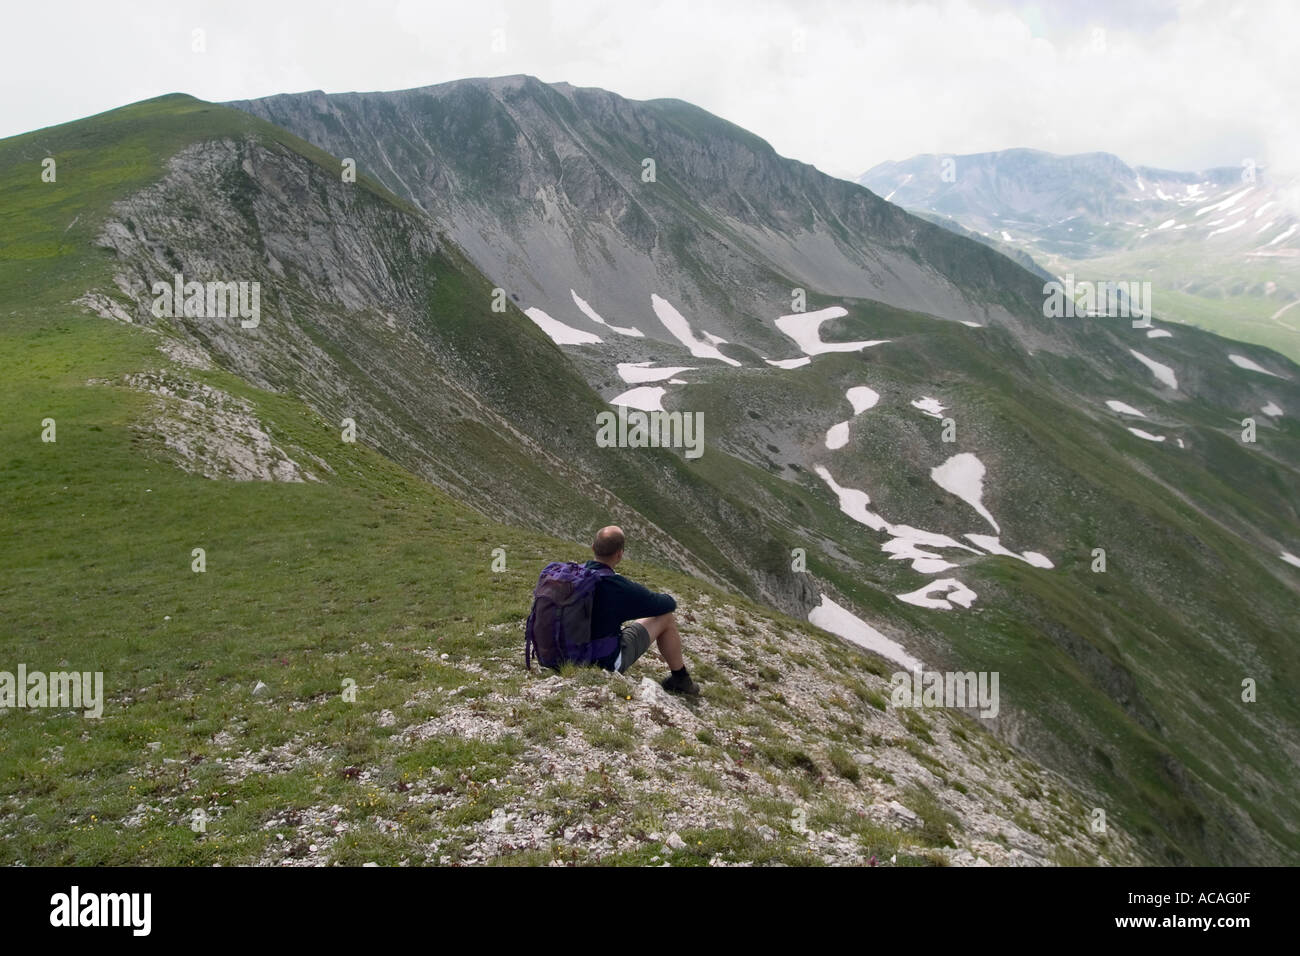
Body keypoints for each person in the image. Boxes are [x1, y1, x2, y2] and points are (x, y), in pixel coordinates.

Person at [587, 526, 699, 695]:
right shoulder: (618, 587)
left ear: (593, 547)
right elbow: (667, 604)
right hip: (603, 661)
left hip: (564, 653)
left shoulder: (573, 577)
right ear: (619, 554)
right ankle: (681, 679)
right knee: (666, 617)